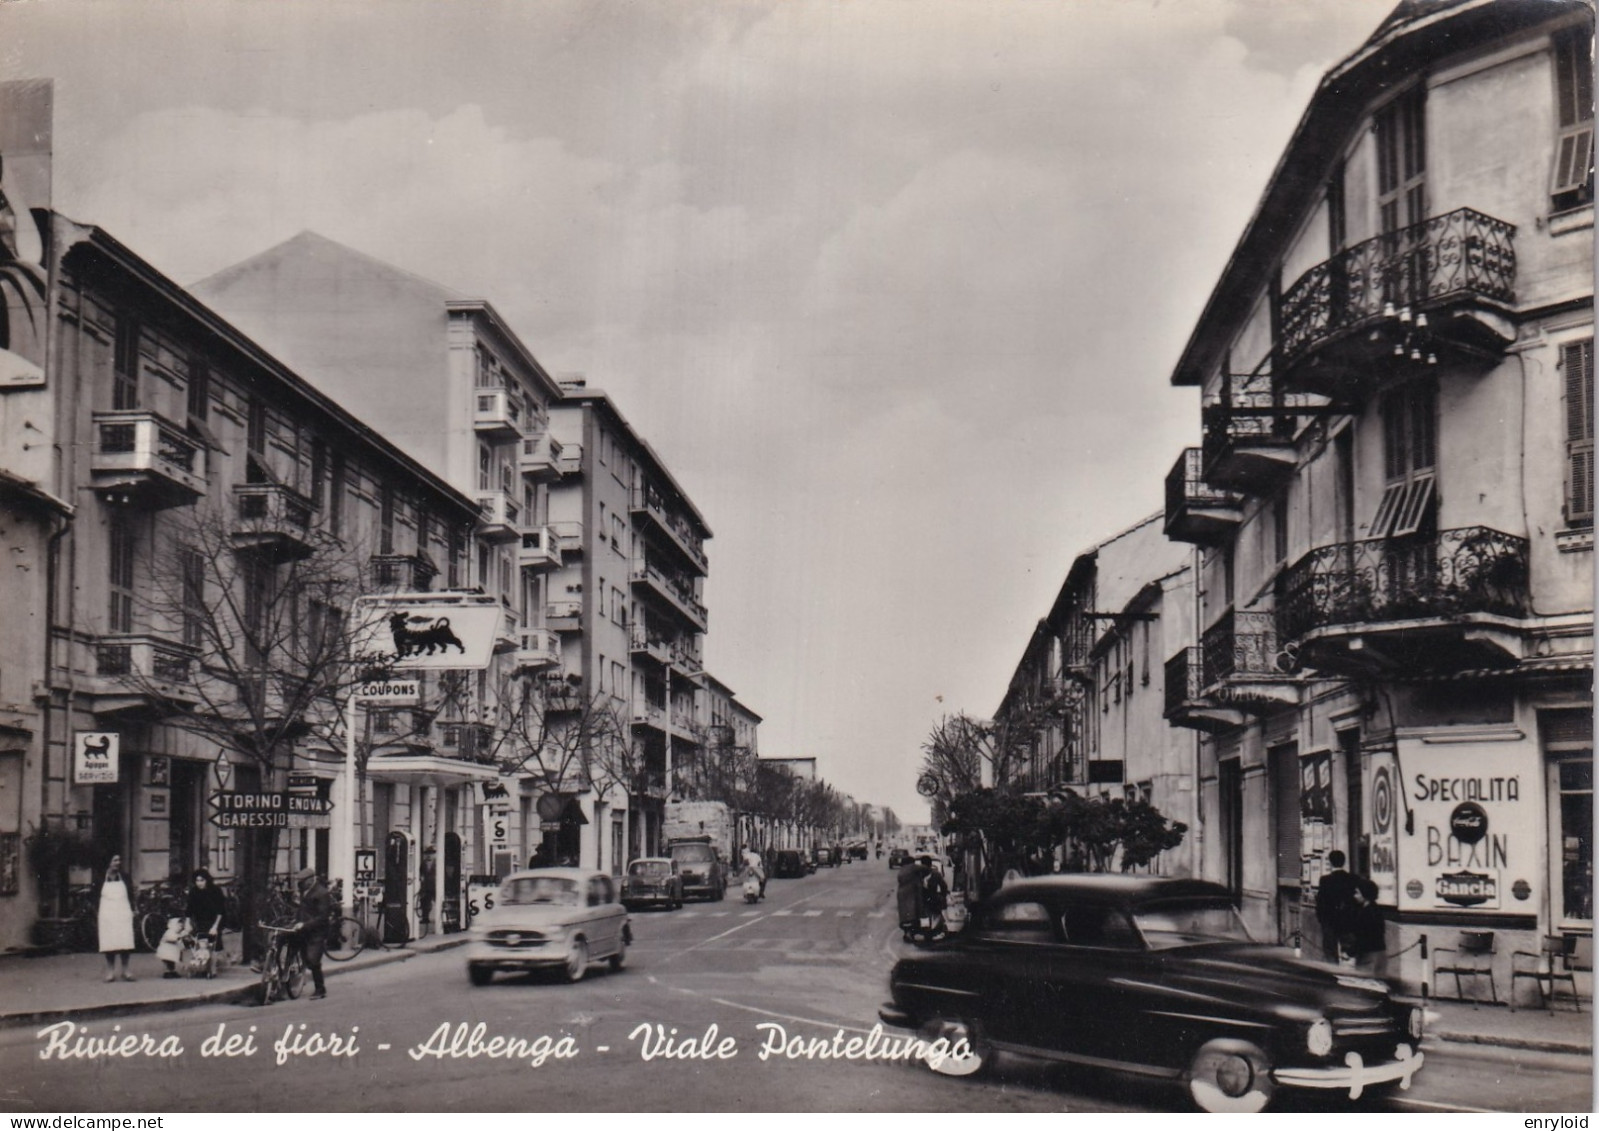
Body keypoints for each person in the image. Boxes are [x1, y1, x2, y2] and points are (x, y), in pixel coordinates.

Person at [293, 867, 333, 1000]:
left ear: (310, 880)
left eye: (302, 881)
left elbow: (322, 917)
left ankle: (320, 989)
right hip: (305, 929)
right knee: (299, 952)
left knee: (313, 959)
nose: (300, 884)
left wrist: (304, 924)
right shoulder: (306, 891)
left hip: (317, 932)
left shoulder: (321, 893)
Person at [96, 853, 135, 982]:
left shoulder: (125, 877)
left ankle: (125, 970)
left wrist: (134, 909)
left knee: (125, 941)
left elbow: (131, 894)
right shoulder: (100, 877)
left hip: (123, 911)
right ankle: (110, 971)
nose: (118, 862)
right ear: (109, 862)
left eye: (119, 860)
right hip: (107, 913)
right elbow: (94, 896)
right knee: (109, 942)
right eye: (115, 860)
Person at [1314, 849, 1358, 962]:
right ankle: (1347, 974)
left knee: (1330, 950)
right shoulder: (1353, 879)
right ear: (1344, 862)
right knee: (1348, 952)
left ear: (1330, 863)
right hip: (1348, 920)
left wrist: (1321, 918)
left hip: (1329, 920)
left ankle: (1333, 975)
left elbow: (1320, 901)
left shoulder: (1325, 880)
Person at [1345, 878, 1388, 977]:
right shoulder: (1376, 909)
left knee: (1365, 985)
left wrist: (1350, 952)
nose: (1354, 896)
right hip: (1380, 953)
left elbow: (1364, 937)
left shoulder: (1366, 913)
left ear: (1365, 894)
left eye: (1357, 893)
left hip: (1368, 956)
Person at [896, 855, 927, 939]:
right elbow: (925, 868)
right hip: (910, 894)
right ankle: (910, 933)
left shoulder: (902, 870)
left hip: (902, 893)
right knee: (912, 914)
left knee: (905, 915)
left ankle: (907, 933)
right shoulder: (911, 867)